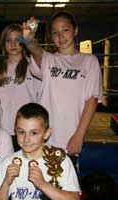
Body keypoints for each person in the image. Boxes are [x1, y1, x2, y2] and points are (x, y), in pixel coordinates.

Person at [22, 12, 102, 168]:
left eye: (65, 30)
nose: (60, 36)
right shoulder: (49, 59)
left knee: (64, 188)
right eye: (54, 32)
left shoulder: (89, 61)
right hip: (41, 136)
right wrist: (29, 40)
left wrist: (79, 135)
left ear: (75, 30)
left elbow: (92, 100)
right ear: (50, 37)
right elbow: (36, 50)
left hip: (69, 137)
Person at [0, 103, 81, 200]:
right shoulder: (8, 163)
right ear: (15, 131)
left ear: (47, 133)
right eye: (21, 132)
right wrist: (6, 182)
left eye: (34, 133)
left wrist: (42, 184)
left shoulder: (59, 160)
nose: (26, 139)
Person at [0, 24, 41, 151]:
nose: (13, 44)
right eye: (9, 40)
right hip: (3, 126)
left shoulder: (33, 65)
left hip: (27, 127)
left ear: (24, 42)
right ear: (3, 44)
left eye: (18, 40)